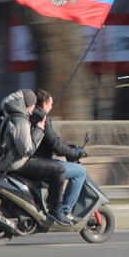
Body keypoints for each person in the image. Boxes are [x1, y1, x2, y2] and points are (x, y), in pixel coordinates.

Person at [0, 88, 70, 226]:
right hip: (17, 163)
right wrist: (40, 129)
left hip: (4, 162)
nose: (34, 108)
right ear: (28, 104)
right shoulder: (20, 120)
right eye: (33, 105)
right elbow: (27, 150)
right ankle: (56, 210)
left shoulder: (6, 113)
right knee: (58, 170)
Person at [31, 89, 88, 223]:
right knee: (80, 171)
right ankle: (66, 210)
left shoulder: (30, 115)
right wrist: (75, 152)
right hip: (41, 162)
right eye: (51, 104)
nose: (52, 107)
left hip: (35, 160)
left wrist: (65, 148)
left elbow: (49, 143)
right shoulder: (42, 118)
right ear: (44, 104)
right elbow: (55, 143)